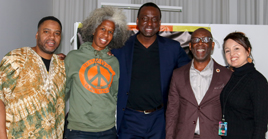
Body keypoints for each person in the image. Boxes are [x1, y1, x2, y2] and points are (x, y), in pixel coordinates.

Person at [111, 2, 191, 139]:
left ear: (159, 23)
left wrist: (224, 69)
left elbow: (192, 70)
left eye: (154, 19)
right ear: (137, 21)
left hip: (159, 119)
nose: (149, 23)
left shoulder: (172, 48)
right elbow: (99, 61)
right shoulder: (121, 47)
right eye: (145, 18)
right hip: (129, 119)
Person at [64, 6, 129, 139]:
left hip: (107, 130)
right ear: (94, 30)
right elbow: (62, 92)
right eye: (103, 29)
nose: (106, 35)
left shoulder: (114, 62)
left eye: (111, 32)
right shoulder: (73, 57)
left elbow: (115, 94)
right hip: (78, 130)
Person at [0, 16, 66, 139]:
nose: (52, 37)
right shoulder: (16, 59)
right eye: (46, 31)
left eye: (57, 33)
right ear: (37, 35)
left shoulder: (62, 66)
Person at [165, 28, 232, 139]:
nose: (200, 43)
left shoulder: (226, 75)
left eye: (205, 39)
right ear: (190, 46)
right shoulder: (178, 75)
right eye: (196, 40)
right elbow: (172, 112)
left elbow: (230, 114)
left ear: (212, 45)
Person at [220, 32, 268, 139]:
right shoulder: (231, 76)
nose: (232, 54)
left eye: (236, 48)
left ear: (248, 51)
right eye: (227, 51)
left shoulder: (257, 80)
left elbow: (261, 124)